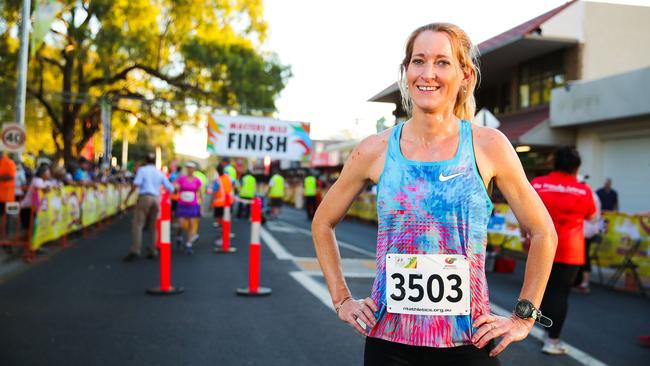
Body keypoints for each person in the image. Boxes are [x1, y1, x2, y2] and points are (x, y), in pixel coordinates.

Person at [312, 23, 557, 365]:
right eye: (418, 61)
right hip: (389, 343)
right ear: (406, 71)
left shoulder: (488, 146)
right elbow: (323, 222)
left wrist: (523, 316)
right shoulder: (375, 149)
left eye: (442, 62)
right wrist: (342, 300)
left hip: (468, 342)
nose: (428, 73)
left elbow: (544, 232)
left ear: (465, 75)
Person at [531, 146, 596, 355]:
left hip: (540, 246)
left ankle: (545, 329)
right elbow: (591, 216)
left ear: (554, 162)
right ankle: (552, 339)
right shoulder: (583, 190)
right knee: (560, 293)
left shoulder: (538, 184)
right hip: (569, 249)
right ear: (576, 167)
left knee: (542, 290)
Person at [123, 153, 175, 262]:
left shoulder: (142, 170)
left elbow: (136, 184)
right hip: (156, 198)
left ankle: (135, 250)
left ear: (146, 160)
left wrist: (127, 197)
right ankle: (153, 250)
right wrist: (168, 198)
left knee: (138, 224)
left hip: (145, 197)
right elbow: (170, 187)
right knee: (153, 226)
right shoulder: (159, 173)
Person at [574, 192, 601, 294]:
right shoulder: (590, 194)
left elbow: (591, 215)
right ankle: (581, 281)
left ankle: (584, 281)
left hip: (584, 231)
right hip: (585, 231)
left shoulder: (587, 194)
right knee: (583, 256)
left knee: (584, 256)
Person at [174, 161, 203, 254]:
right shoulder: (181, 179)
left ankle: (189, 245)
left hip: (193, 204)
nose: (190, 169)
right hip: (182, 204)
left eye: (192, 168)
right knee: (181, 224)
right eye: (188, 168)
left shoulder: (197, 180)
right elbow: (175, 187)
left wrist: (201, 206)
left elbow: (200, 193)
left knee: (191, 224)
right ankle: (178, 237)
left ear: (194, 169)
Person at [211, 164, 233, 247]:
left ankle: (222, 238)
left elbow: (214, 192)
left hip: (219, 203)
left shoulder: (218, 180)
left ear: (217, 171)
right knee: (226, 221)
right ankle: (225, 237)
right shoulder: (229, 178)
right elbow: (233, 184)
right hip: (228, 203)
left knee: (221, 223)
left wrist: (211, 202)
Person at [0, 150, 17, 239]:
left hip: (8, 196)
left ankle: (7, 237)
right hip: (2, 196)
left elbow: (11, 176)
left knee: (8, 217)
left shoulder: (9, 162)